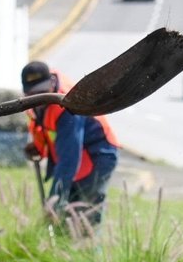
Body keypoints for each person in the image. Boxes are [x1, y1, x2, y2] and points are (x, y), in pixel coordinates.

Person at [21, 61, 121, 226]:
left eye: (42, 93)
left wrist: (53, 202)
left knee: (85, 220)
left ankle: (89, 250)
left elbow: (69, 161)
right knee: (66, 219)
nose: (39, 100)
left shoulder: (67, 105)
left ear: (51, 83)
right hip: (74, 152)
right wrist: (38, 147)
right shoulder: (34, 100)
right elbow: (46, 127)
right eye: (33, 95)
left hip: (98, 154)